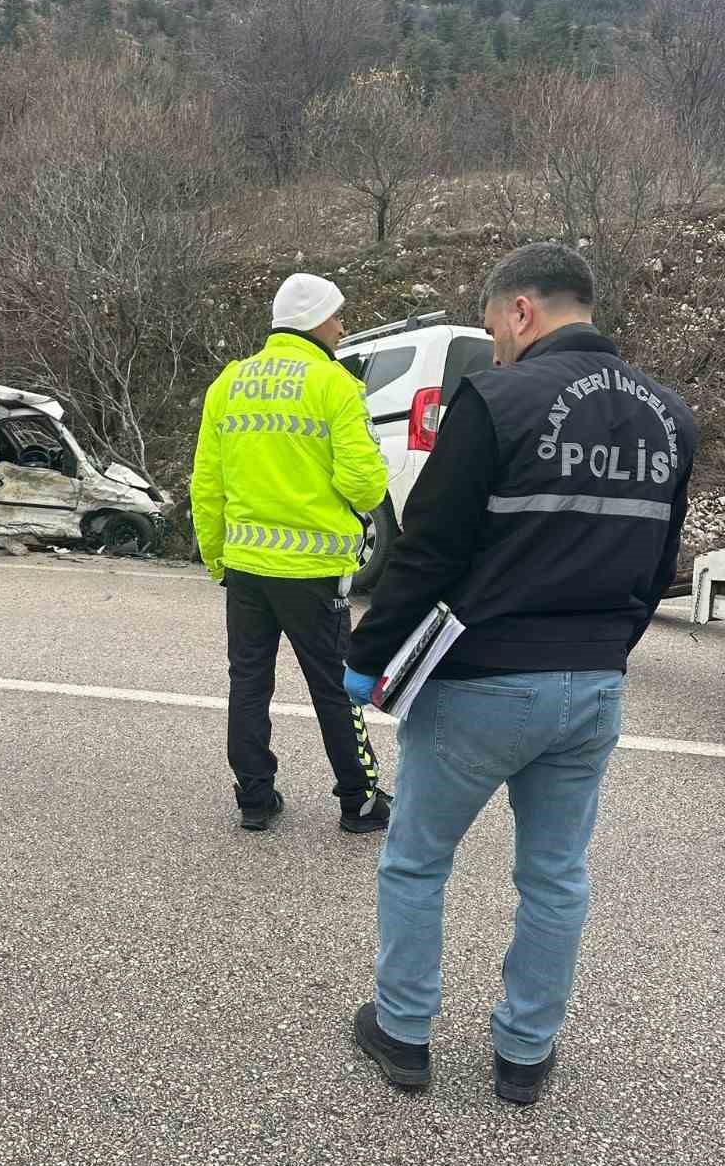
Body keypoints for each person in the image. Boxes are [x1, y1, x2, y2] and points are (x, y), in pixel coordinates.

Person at [344, 243, 697, 1104]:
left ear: (522, 312)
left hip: (482, 683)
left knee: (419, 862)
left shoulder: (497, 398)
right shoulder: (671, 416)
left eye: (496, 326)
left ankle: (403, 1033)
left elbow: (426, 551)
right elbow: (660, 565)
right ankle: (525, 1056)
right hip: (594, 685)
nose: (496, 344)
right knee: (556, 876)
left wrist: (364, 656)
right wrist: (610, 647)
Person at [191, 271, 391, 834]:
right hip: (314, 571)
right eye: (338, 316)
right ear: (317, 322)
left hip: (247, 567)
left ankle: (255, 797)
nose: (342, 326)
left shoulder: (228, 384)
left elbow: (206, 485)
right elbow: (365, 487)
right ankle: (359, 798)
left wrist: (216, 557)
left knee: (249, 682)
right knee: (334, 686)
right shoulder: (334, 384)